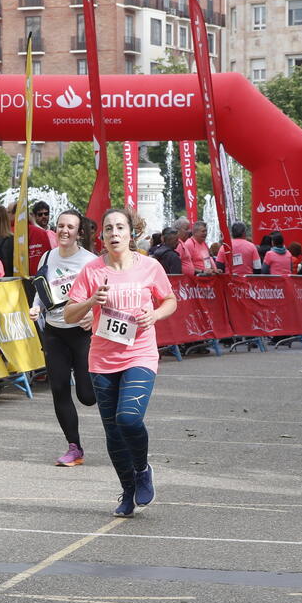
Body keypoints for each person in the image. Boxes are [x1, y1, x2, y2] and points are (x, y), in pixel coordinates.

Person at [64, 207, 176, 517]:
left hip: (139, 353)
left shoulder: (150, 267)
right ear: (102, 235)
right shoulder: (93, 271)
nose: (114, 234)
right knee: (113, 432)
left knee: (128, 419)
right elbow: (69, 314)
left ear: (131, 234)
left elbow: (170, 300)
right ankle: (128, 490)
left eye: (120, 228)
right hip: (102, 360)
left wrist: (153, 314)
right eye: (109, 229)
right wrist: (90, 302)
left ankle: (142, 469)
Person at [28, 209, 97, 467]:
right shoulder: (47, 256)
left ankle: (110, 387)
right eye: (60, 226)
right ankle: (74, 447)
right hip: (55, 331)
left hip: (81, 332)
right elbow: (41, 289)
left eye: (70, 227)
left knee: (87, 395)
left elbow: (103, 293)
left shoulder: (90, 261)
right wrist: (37, 307)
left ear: (79, 232)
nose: (64, 231)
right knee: (58, 389)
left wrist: (94, 314)